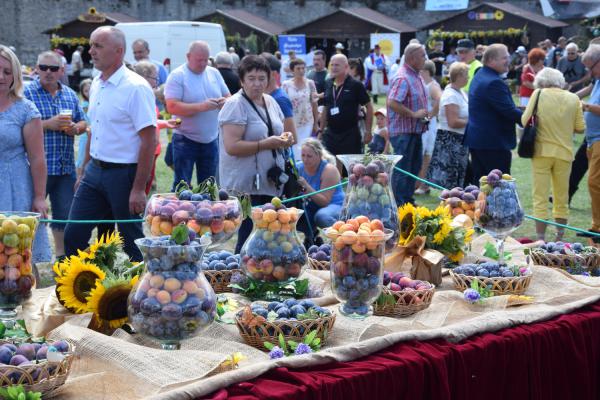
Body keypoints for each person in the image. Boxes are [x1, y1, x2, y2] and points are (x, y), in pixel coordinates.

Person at [64, 26, 157, 261]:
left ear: (118, 51)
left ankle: (144, 294)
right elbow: (94, 130)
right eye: (91, 45)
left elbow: (149, 140)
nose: (91, 51)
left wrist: (138, 188)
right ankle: (84, 290)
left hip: (124, 175)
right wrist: (84, 170)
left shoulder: (135, 88)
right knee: (73, 234)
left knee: (131, 242)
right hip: (94, 172)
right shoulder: (97, 83)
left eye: (98, 46)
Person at [218, 55, 294, 252]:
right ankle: (240, 276)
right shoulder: (235, 104)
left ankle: (265, 277)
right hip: (245, 184)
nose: (257, 84)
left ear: (269, 79)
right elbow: (231, 146)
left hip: (269, 181)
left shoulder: (270, 101)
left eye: (262, 78)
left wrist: (285, 138)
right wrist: (265, 144)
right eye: (251, 78)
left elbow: (278, 130)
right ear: (242, 80)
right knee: (249, 236)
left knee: (268, 233)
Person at [24, 50, 87, 260]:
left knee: (63, 216)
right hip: (35, 168)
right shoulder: (26, 93)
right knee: (31, 216)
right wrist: (47, 124)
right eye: (43, 68)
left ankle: (60, 258)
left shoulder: (69, 94)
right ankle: (29, 258)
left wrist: (75, 129)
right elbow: (18, 127)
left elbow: (83, 121)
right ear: (36, 69)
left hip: (64, 167)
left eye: (53, 68)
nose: (48, 72)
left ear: (61, 70)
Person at [0, 45, 51, 263]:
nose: (1, 76)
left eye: (7, 71)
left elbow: (38, 158)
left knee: (15, 253)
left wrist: (39, 197)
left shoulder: (26, 110)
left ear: (15, 76)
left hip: (15, 186)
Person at [521, 68, 585, 241]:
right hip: (564, 153)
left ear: (541, 81)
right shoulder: (574, 98)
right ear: (560, 80)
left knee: (540, 196)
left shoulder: (538, 93)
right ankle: (559, 237)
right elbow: (580, 128)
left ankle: (541, 237)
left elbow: (524, 120)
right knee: (561, 197)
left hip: (541, 152)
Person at [164, 41, 230, 189]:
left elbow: (229, 97)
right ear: (188, 56)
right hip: (185, 138)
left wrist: (223, 102)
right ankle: (180, 212)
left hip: (211, 138)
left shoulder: (214, 73)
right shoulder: (177, 75)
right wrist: (202, 107)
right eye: (199, 59)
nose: (203, 63)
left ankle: (205, 211)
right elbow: (172, 107)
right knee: (182, 185)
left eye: (206, 60)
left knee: (208, 186)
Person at [464, 44, 522, 182]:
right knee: (499, 187)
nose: (508, 61)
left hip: (480, 141)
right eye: (504, 58)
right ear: (491, 60)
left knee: (483, 185)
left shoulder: (481, 75)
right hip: (492, 144)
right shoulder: (494, 82)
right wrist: (533, 120)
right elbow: (509, 112)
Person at [387, 43, 428, 206]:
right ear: (412, 58)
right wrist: (413, 114)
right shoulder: (403, 77)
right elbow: (392, 102)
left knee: (412, 168)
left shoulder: (415, 75)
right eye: (423, 56)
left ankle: (407, 202)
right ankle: (399, 204)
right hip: (403, 133)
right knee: (403, 170)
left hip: (413, 131)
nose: (426, 59)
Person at [133, 61, 178, 194]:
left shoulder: (148, 95)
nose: (157, 82)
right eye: (155, 78)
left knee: (147, 181)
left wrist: (166, 123)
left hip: (153, 148)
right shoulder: (140, 95)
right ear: (144, 77)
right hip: (145, 148)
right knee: (143, 183)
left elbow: (150, 121)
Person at [320, 54, 373, 162]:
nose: (334, 67)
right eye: (332, 65)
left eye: (337, 65)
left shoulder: (355, 85)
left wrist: (368, 131)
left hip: (350, 134)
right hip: (331, 134)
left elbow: (369, 106)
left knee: (352, 168)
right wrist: (321, 130)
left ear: (346, 67)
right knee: (331, 164)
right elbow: (326, 108)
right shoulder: (328, 83)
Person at [427, 62, 470, 189]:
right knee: (450, 180)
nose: (468, 78)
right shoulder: (450, 95)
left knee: (458, 179)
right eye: (466, 75)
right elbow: (453, 122)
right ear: (459, 76)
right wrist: (473, 123)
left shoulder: (461, 92)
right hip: (451, 141)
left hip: (459, 140)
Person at [296, 138, 344, 246]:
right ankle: (311, 237)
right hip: (311, 205)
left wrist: (306, 186)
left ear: (319, 155)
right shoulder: (298, 168)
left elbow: (324, 202)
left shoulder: (329, 170)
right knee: (294, 214)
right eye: (303, 155)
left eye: (309, 156)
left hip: (334, 204)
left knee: (321, 217)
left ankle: (343, 237)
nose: (305, 159)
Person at [580, 44, 600, 240]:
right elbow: (588, 90)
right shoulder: (598, 81)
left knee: (594, 182)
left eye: (590, 67)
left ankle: (597, 227)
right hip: (592, 140)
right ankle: (596, 224)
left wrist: (584, 106)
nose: (589, 72)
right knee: (595, 183)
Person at [282, 58, 318, 163]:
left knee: (304, 148)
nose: (301, 70)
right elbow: (282, 104)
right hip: (291, 122)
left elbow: (314, 103)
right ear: (292, 70)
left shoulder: (310, 83)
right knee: (292, 148)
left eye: (303, 68)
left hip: (307, 121)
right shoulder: (286, 85)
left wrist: (316, 123)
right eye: (298, 68)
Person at [415, 60, 441, 195]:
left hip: (428, 125)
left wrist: (430, 116)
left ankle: (422, 184)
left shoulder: (431, 85)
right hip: (427, 124)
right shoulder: (426, 84)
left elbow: (439, 99)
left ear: (426, 71)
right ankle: (420, 183)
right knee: (423, 154)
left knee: (425, 155)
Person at [261, 53, 297, 148]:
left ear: (273, 74)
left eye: (262, 71)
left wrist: (263, 144)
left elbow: (292, 137)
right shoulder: (263, 96)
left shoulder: (280, 99)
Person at [76, 78, 92, 177]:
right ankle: (79, 177)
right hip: (86, 136)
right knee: (82, 158)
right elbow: (87, 122)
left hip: (93, 135)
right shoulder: (85, 105)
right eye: (86, 91)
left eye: (90, 89)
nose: (89, 93)